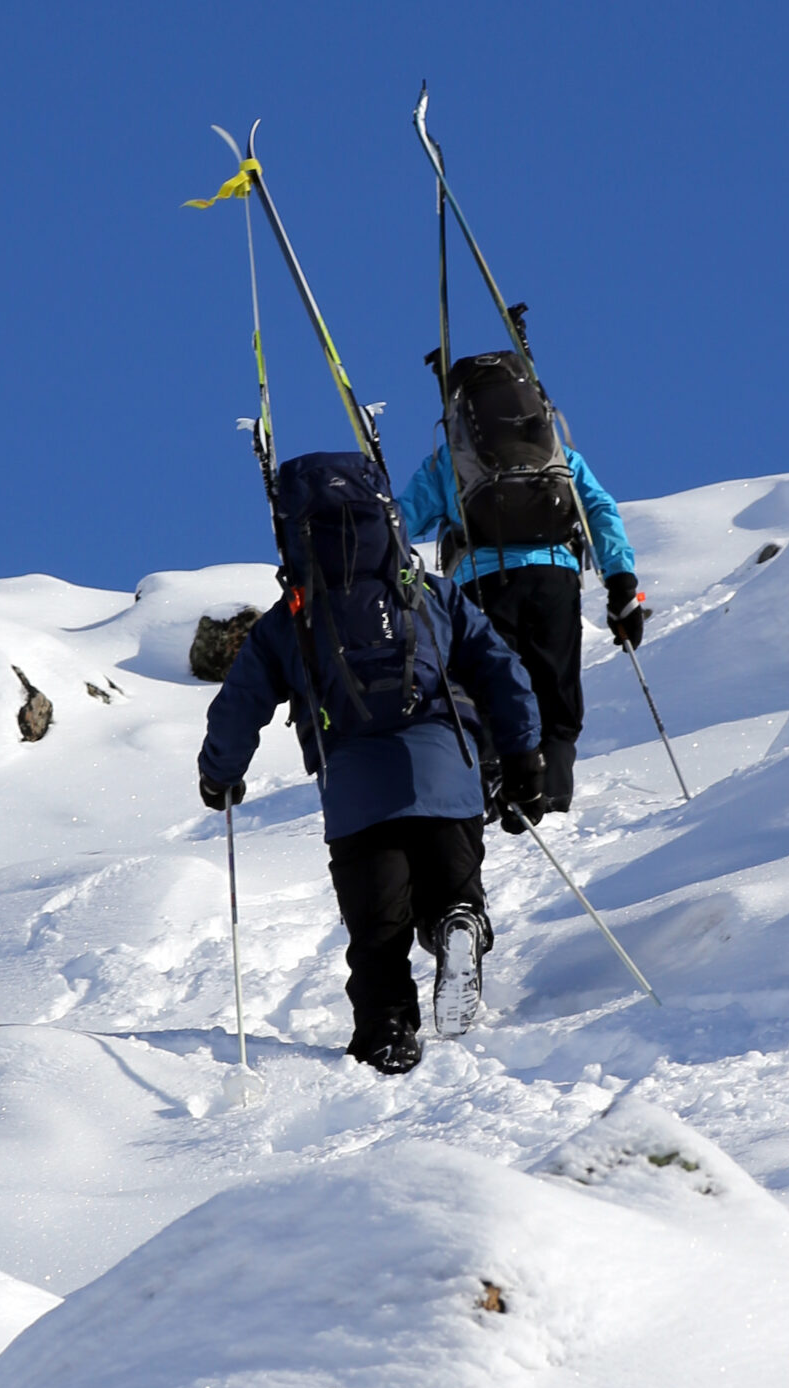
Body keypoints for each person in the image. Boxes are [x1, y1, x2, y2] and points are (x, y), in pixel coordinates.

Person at [198, 451, 546, 1077]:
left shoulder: (293, 619)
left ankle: (387, 1031)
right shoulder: (428, 594)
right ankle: (453, 923)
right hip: (448, 769)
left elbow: (238, 706)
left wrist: (218, 775)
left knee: (378, 927)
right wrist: (524, 753)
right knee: (450, 884)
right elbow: (502, 669)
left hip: (358, 790)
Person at [394, 366, 645, 821]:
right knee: (555, 687)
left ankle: (497, 786)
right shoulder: (557, 454)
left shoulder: (450, 462)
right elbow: (600, 512)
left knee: (492, 683)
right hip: (555, 576)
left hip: (482, 583)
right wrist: (621, 582)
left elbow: (402, 518)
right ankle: (553, 794)